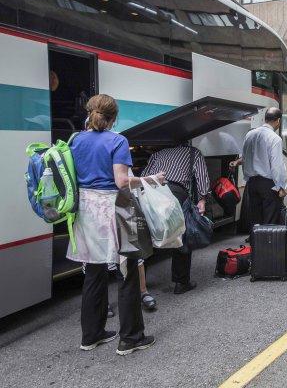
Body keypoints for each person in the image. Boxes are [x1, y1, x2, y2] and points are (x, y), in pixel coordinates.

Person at [67, 94, 161, 355]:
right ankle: (130, 338)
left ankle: (92, 335)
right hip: (115, 210)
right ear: (114, 118)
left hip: (85, 212)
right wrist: (150, 178)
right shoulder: (118, 141)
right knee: (128, 273)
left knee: (94, 273)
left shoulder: (75, 140)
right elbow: (121, 181)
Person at [142, 143, 210, 295]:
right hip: (176, 194)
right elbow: (202, 177)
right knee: (181, 236)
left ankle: (140, 281)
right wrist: (202, 199)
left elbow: (144, 176)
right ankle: (181, 282)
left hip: (153, 194)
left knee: (147, 235)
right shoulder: (193, 153)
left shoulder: (158, 153)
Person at [230, 107, 287, 228]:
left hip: (251, 183)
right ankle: (267, 244)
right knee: (270, 219)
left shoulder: (250, 134)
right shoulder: (275, 138)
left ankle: (256, 243)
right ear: (278, 121)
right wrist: (281, 186)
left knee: (255, 219)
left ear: (265, 119)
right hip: (268, 184)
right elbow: (277, 166)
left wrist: (237, 164)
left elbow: (245, 158)